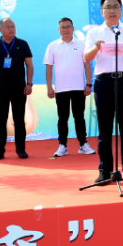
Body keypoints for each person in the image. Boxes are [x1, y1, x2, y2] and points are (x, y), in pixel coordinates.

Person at [84, 0, 123, 183]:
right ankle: (104, 171)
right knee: (105, 128)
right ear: (102, 11)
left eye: (116, 6)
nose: (112, 10)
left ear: (121, 10)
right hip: (104, 82)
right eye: (108, 7)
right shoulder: (94, 33)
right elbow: (86, 57)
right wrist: (96, 48)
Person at [44, 17, 97, 157]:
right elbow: (48, 68)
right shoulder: (53, 46)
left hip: (78, 87)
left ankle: (83, 144)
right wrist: (49, 87)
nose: (66, 29)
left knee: (79, 117)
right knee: (62, 118)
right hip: (61, 88)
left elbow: (87, 65)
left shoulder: (82, 44)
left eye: (68, 26)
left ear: (73, 28)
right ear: (58, 30)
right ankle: (62, 146)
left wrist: (88, 84)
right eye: (63, 27)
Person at [0, 18, 34, 160]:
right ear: (0, 29)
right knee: (1, 120)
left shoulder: (22, 44)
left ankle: (21, 149)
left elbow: (29, 65)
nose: (11, 29)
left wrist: (29, 84)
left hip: (19, 89)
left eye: (13, 26)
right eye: (8, 27)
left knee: (19, 120)